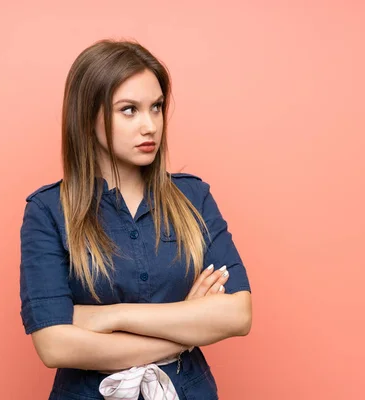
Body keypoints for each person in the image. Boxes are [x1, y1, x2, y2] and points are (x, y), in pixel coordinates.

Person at [19, 39, 252, 400]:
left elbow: (237, 314)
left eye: (156, 108)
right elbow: (54, 346)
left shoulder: (194, 198)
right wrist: (187, 324)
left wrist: (110, 317)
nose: (150, 126)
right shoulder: (48, 210)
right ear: (87, 116)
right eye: (129, 110)